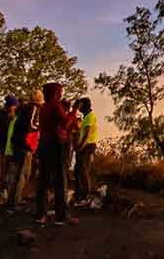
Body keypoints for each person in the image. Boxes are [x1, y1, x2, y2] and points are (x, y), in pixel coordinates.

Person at [35, 83, 78, 226]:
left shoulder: (44, 107)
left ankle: (40, 214)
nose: (61, 94)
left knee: (43, 180)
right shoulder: (54, 105)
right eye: (59, 92)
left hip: (44, 145)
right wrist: (74, 110)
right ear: (55, 92)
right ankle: (62, 216)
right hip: (55, 145)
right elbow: (66, 123)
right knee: (60, 180)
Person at [7, 91, 43, 212]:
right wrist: (39, 128)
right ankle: (15, 203)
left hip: (19, 144)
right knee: (22, 174)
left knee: (19, 173)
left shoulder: (24, 109)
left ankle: (12, 201)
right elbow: (30, 125)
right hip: (24, 145)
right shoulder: (33, 108)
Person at [74, 97, 98, 204]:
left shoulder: (90, 117)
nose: (78, 107)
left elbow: (87, 134)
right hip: (85, 145)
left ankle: (85, 194)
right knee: (78, 170)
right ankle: (79, 194)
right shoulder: (86, 117)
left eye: (80, 104)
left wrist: (81, 146)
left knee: (83, 170)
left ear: (84, 105)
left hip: (87, 145)